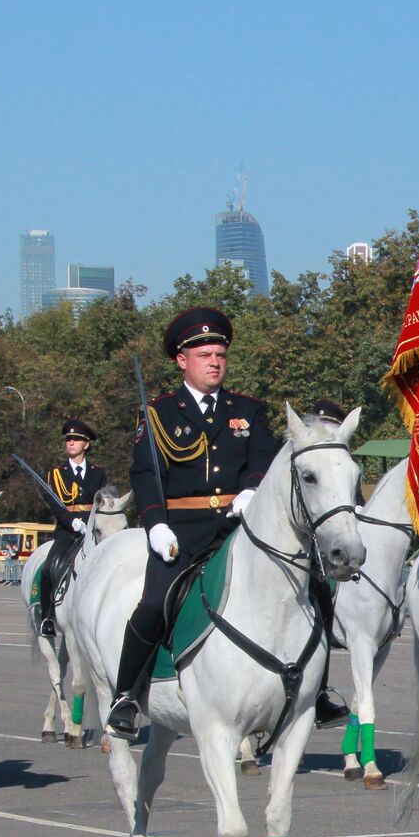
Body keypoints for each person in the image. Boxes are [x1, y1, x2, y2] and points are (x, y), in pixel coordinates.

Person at [105, 307, 278, 739]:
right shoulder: (160, 413)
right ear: (182, 360)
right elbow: (146, 475)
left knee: (301, 586)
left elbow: (262, 458)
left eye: (219, 353)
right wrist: (156, 525)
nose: (215, 361)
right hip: (181, 533)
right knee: (153, 605)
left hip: (238, 529)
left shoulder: (248, 411)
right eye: (204, 354)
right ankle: (126, 693)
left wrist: (253, 488)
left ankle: (317, 686)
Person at [303, 399, 357, 729]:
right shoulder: (306, 457)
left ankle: (319, 692)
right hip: (300, 549)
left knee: (322, 604)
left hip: (328, 554)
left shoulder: (341, 464)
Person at [37, 419, 107, 638]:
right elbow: (53, 503)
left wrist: (91, 523)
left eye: (76, 439)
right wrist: (72, 522)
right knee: (49, 568)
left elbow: (102, 502)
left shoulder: (98, 473)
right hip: (67, 532)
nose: (71, 443)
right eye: (68, 439)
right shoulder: (56, 473)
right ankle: (48, 616)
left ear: (86, 444)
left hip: (91, 530)